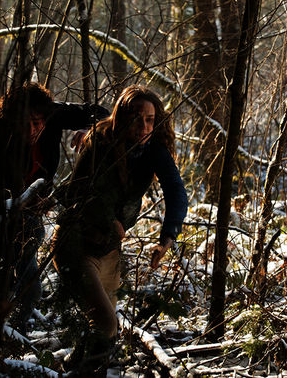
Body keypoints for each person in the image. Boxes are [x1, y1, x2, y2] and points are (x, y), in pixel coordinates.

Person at [53, 85, 188, 374]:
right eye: (136, 118)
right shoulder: (99, 142)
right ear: (122, 117)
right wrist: (108, 219)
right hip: (76, 244)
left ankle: (70, 367)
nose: (143, 126)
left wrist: (166, 239)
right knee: (106, 324)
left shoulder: (153, 150)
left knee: (100, 333)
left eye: (150, 119)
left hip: (109, 251)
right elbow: (81, 193)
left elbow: (176, 190)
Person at [0, 82, 108, 331]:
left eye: (37, 122)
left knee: (27, 287)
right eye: (24, 122)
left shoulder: (51, 112)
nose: (31, 129)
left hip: (29, 210)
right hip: (2, 213)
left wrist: (90, 131)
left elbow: (102, 113)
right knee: (22, 285)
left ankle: (6, 333)